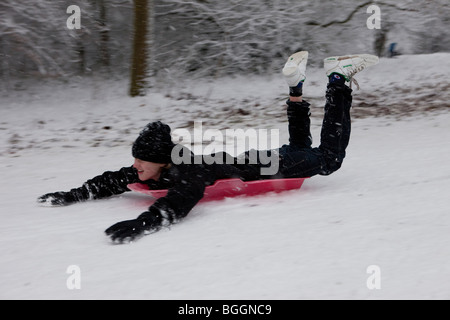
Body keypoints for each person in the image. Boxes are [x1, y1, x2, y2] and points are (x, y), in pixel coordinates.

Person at [37, 51, 379, 243]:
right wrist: (76, 194)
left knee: (328, 159)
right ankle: (295, 87)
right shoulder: (159, 166)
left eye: (142, 160)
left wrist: (143, 223)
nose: (136, 166)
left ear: (160, 161)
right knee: (300, 146)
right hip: (260, 159)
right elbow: (114, 179)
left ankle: (338, 79)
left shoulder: (188, 170)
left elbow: (181, 201)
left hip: (270, 167)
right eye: (136, 160)